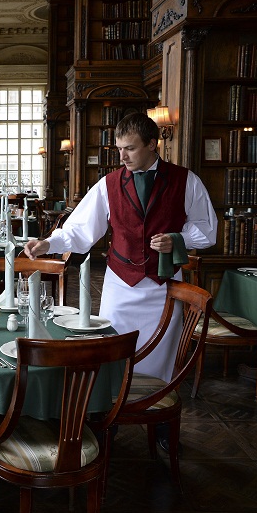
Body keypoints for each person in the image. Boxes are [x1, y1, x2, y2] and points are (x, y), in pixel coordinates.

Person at [25, 112, 218, 382]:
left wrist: (179, 239)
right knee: (112, 353)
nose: (122, 157)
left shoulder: (186, 181)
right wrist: (49, 243)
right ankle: (110, 412)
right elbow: (82, 229)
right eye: (119, 149)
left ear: (152, 144)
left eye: (130, 148)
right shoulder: (109, 184)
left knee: (158, 357)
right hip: (120, 288)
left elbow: (207, 229)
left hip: (164, 286)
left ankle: (152, 405)